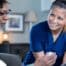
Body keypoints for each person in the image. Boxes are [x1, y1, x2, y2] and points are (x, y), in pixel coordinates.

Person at [23, 0, 66, 66]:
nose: (54, 20)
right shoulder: (37, 30)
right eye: (52, 15)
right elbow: (42, 63)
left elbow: (64, 63)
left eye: (60, 18)